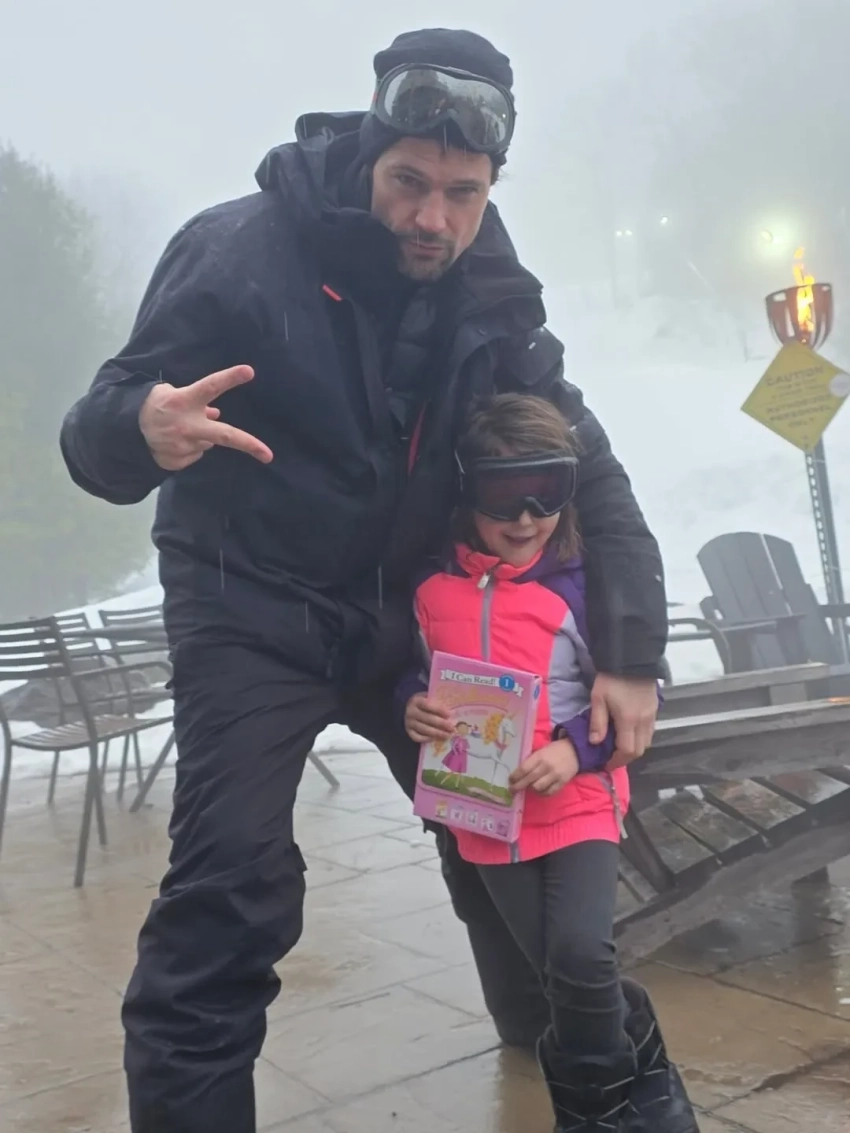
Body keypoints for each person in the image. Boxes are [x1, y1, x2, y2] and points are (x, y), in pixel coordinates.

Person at [59, 27, 668, 1133]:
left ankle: (608, 1085)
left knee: (510, 849)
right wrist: (138, 426)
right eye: (409, 183)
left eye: (462, 192)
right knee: (231, 883)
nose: (432, 216)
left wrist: (630, 655)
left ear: (490, 187)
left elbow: (591, 471)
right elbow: (98, 424)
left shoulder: (493, 297)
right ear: (368, 155)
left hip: (411, 623)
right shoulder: (237, 251)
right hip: (251, 608)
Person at [403, 393, 696, 1132]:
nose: (527, 515)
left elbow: (637, 691)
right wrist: (412, 704)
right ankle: (644, 1058)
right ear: (467, 491)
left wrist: (575, 749)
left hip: (578, 800)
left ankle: (598, 1117)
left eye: (548, 491)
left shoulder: (579, 587)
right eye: (504, 493)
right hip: (483, 812)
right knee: (557, 973)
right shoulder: (430, 590)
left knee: (582, 956)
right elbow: (411, 670)